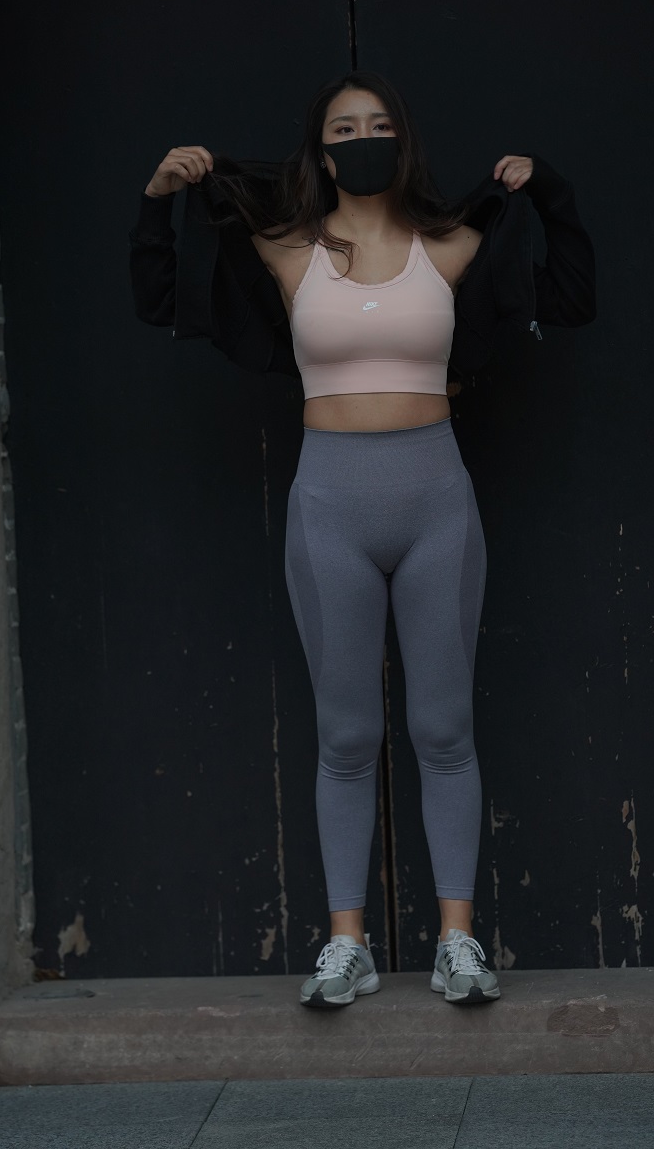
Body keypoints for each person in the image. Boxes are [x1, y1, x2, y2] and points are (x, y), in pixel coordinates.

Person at [129, 70, 595, 1008]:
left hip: (436, 504)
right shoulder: (283, 248)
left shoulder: (453, 244)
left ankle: (456, 940)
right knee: (346, 734)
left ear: (403, 139)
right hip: (330, 508)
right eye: (344, 128)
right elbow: (160, 296)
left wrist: (550, 190)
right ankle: (348, 945)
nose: (363, 137)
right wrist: (157, 200)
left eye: (379, 124)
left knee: (443, 729)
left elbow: (573, 295)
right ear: (321, 149)